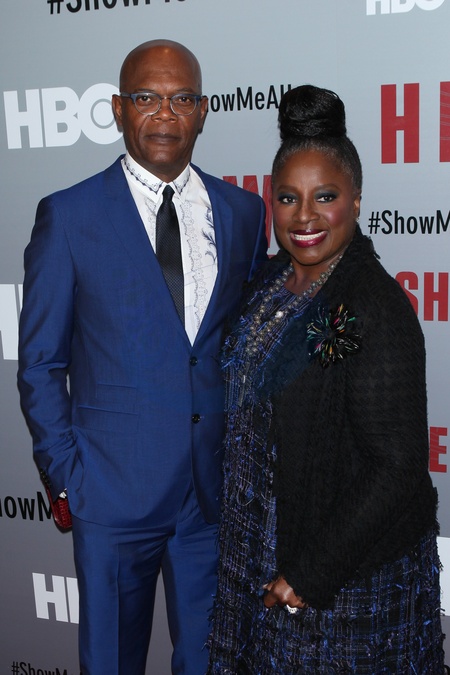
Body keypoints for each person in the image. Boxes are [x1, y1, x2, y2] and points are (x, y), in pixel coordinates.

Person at [17, 39, 267, 675]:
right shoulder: (68, 216)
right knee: (112, 663)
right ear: (118, 109)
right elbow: (40, 363)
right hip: (109, 495)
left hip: (212, 499)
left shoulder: (243, 213)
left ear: (203, 111)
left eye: (181, 99)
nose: (164, 114)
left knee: (213, 661)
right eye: (146, 98)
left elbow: (240, 346)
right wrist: (69, 475)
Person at [207, 85, 444, 673]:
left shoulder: (373, 306)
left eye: (326, 196)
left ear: (357, 200)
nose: (305, 216)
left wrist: (311, 573)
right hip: (259, 551)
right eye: (288, 198)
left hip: (339, 585)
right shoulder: (270, 280)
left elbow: (398, 467)